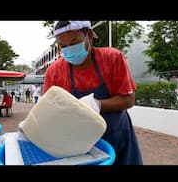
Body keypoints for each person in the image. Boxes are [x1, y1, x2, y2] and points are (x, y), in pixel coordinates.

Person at [43, 21, 143, 165]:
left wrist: (95, 104)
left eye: (74, 42)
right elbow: (49, 109)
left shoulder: (112, 58)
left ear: (89, 36)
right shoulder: (55, 71)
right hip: (80, 143)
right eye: (63, 46)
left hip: (116, 135)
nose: (69, 49)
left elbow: (128, 99)